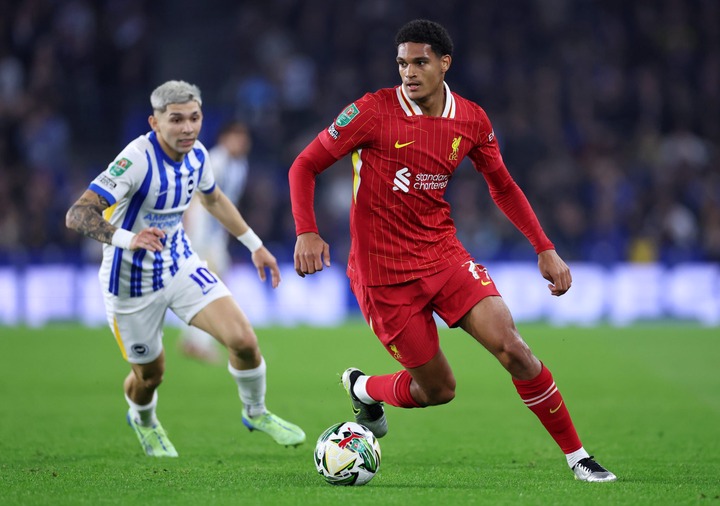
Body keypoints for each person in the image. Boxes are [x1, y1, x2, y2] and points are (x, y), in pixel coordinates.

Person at [288, 20, 615, 482]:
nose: (409, 72)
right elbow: (305, 165)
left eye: (420, 62)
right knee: (439, 389)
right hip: (383, 274)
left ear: (445, 64)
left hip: (443, 255)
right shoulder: (372, 111)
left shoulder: (472, 119)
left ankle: (578, 457)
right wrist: (307, 231)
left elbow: (502, 186)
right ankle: (364, 388)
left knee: (515, 349)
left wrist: (544, 248)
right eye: (402, 63)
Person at [66, 80, 305, 457]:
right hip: (129, 282)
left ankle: (256, 412)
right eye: (176, 119)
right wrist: (131, 239)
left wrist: (255, 245)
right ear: (155, 122)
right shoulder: (136, 159)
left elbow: (213, 199)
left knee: (243, 340)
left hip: (179, 264)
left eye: (194, 118)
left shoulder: (199, 156)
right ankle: (143, 419)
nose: (187, 128)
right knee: (150, 376)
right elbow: (78, 214)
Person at [179, 121, 252, 364]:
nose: (242, 144)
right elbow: (195, 195)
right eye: (237, 138)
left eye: (244, 139)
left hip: (215, 235)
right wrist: (191, 229)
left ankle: (194, 340)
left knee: (210, 287)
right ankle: (198, 343)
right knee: (212, 287)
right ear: (225, 138)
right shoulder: (216, 160)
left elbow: (228, 202)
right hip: (200, 231)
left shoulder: (240, 165)